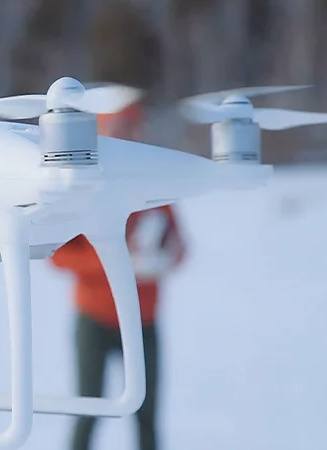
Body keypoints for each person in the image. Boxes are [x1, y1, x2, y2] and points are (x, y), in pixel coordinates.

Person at [48, 102, 187, 450]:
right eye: (117, 128)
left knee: (147, 416)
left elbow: (181, 247)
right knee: (88, 412)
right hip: (94, 321)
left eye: (131, 127)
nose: (126, 135)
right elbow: (58, 255)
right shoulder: (85, 192)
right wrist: (115, 262)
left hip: (143, 324)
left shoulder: (155, 192)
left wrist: (164, 260)